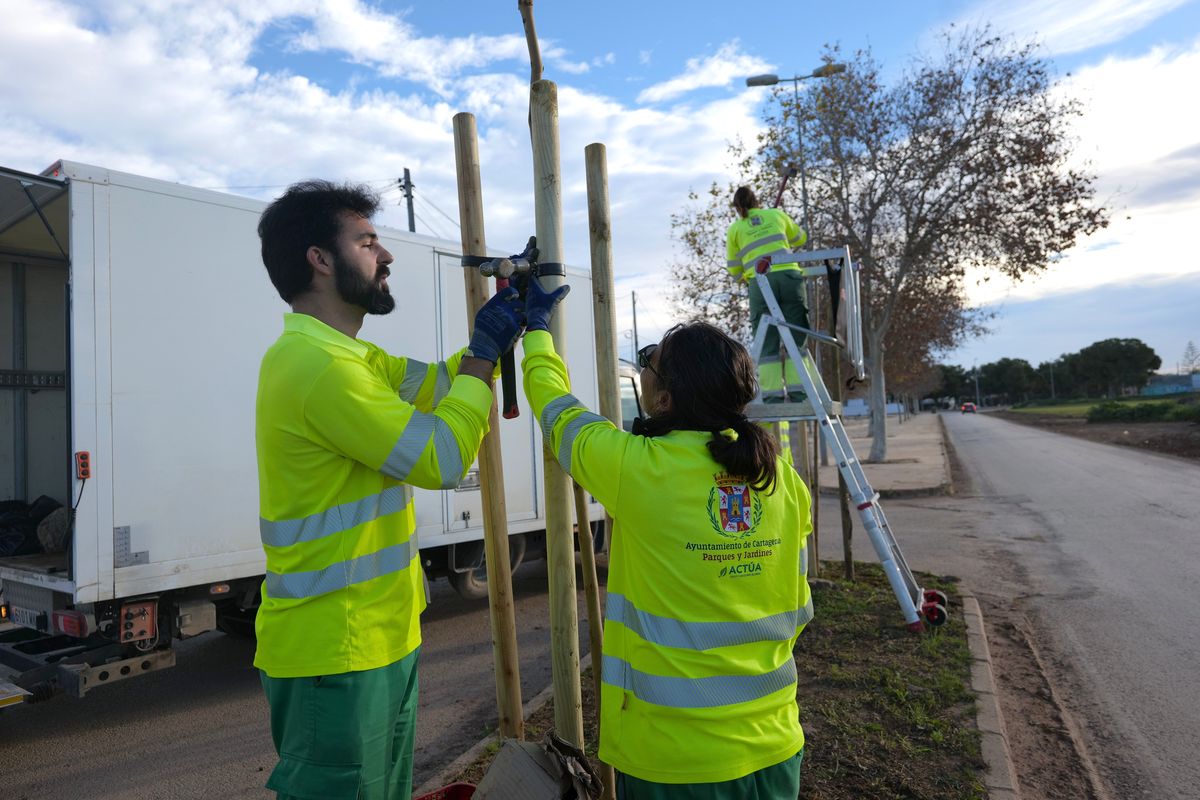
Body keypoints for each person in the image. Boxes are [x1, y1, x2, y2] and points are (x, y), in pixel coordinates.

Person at [253, 180, 524, 800]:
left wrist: (500, 333)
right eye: (368, 241)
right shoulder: (322, 368)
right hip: (336, 651)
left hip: (376, 638)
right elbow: (442, 455)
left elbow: (439, 382)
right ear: (320, 260)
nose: (387, 255)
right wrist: (485, 356)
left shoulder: (349, 357)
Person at [520, 278, 814, 799]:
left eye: (651, 365)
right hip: (774, 744)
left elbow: (556, 409)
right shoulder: (782, 478)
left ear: (664, 397)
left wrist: (537, 333)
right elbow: (798, 602)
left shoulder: (638, 470)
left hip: (675, 759)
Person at [725, 185, 809, 401]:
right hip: (790, 278)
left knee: (767, 341)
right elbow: (801, 238)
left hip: (761, 284)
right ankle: (799, 391)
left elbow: (734, 268)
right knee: (796, 336)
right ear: (757, 201)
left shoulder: (735, 229)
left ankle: (772, 396)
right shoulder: (776, 214)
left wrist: (745, 280)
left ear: (737, 207)